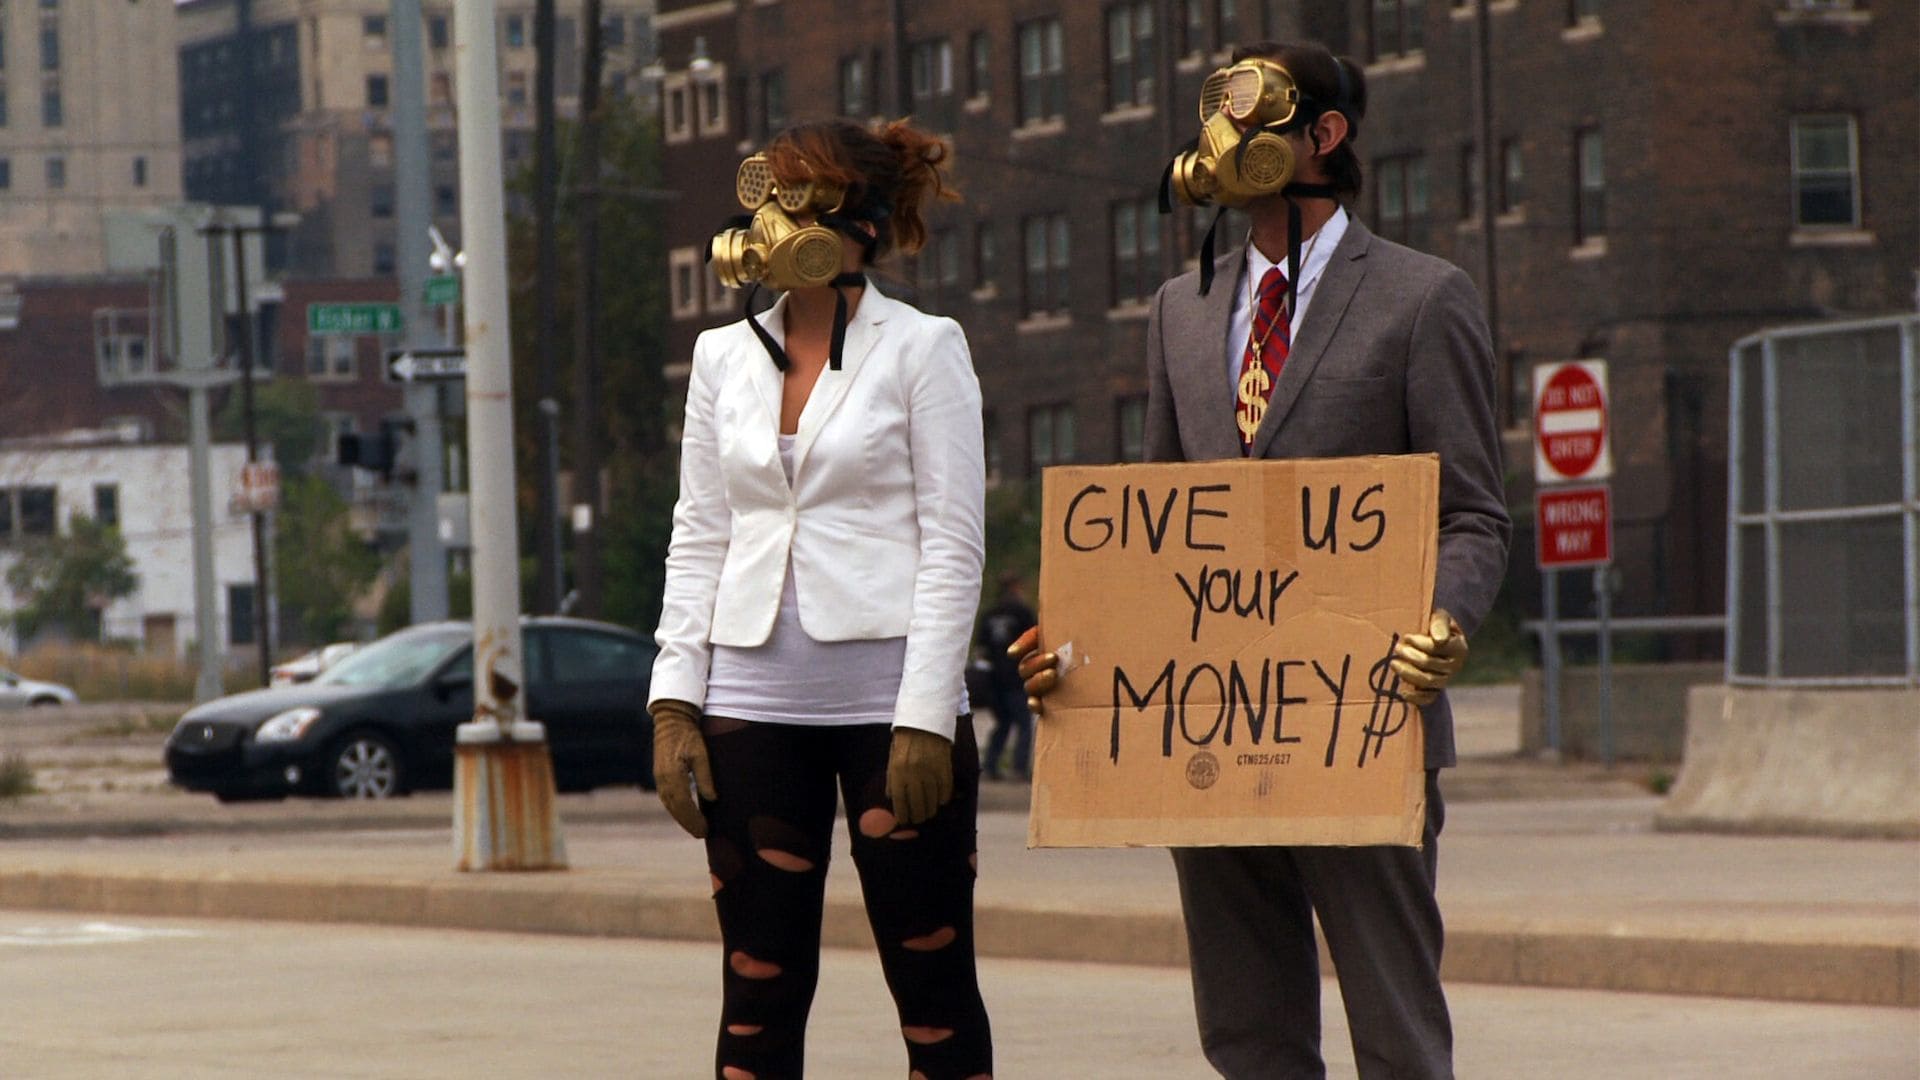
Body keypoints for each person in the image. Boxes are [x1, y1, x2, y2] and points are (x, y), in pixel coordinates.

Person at [1015, 40, 1511, 1080]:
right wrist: (1079, 646)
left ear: (1326, 136)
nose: (1226, 145)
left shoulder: (1424, 298)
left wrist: (1446, 625)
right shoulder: (1180, 310)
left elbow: (1474, 514)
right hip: (1208, 728)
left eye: (1258, 121)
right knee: (1247, 1033)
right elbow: (1155, 524)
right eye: (1218, 121)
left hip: (1363, 715)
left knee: (1396, 1025)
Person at [648, 118, 994, 1080]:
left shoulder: (925, 347)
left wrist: (927, 714)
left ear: (859, 224)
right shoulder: (723, 357)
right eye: (761, 196)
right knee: (756, 990)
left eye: (791, 198)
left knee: (932, 988)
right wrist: (675, 702)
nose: (763, 220)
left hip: (890, 708)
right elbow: (700, 533)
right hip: (751, 706)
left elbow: (954, 541)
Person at [974, 573, 1037, 781]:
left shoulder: (990, 614)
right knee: (1024, 725)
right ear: (1015, 588)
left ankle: (990, 765)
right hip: (1016, 677)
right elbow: (1034, 641)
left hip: (993, 680)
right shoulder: (1022, 613)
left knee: (1003, 723)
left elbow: (980, 649)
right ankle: (1019, 768)